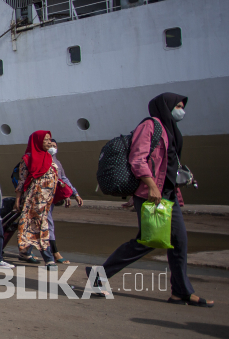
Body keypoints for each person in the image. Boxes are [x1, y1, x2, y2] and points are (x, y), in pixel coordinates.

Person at [91, 93, 212, 306]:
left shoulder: (170, 130)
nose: (181, 110)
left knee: (178, 242)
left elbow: (169, 164)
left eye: (183, 106)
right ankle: (98, 275)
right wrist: (150, 186)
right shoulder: (150, 126)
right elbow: (137, 159)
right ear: (165, 106)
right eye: (178, 106)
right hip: (153, 194)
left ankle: (180, 292)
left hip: (168, 194)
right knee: (148, 241)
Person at [14, 131, 57, 265]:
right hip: (33, 201)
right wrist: (17, 201)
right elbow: (21, 181)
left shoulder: (49, 158)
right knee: (41, 227)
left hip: (47, 201)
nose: (49, 143)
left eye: (50, 140)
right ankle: (49, 259)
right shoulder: (27, 159)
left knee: (34, 227)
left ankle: (25, 252)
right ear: (37, 141)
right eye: (46, 140)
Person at [46, 139, 83, 264]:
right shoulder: (41, 160)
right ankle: (54, 253)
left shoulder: (57, 162)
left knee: (45, 224)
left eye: (54, 146)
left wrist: (74, 193)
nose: (52, 148)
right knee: (47, 224)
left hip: (51, 198)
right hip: (41, 198)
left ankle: (26, 252)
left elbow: (62, 179)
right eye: (49, 145)